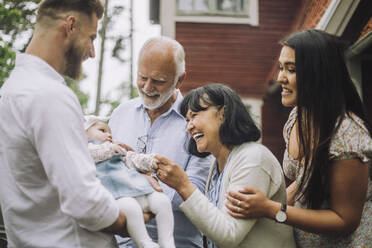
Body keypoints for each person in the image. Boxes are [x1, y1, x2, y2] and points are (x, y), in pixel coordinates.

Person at [226, 29, 372, 247]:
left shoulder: (347, 136)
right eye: (281, 67)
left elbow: (345, 220)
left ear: (318, 74)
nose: (280, 78)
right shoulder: (298, 117)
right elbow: (304, 180)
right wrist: (267, 203)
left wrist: (271, 209)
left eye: (291, 70)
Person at [0, 1, 129, 247]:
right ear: (70, 26)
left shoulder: (11, 90)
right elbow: (84, 200)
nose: (92, 51)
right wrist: (130, 220)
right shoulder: (49, 95)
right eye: (91, 37)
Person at [155, 83, 296, 247]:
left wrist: (183, 185)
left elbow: (229, 234)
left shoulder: (253, 159)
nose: (189, 126)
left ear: (223, 113)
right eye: (187, 120)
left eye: (194, 115)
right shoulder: (217, 165)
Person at [109, 37, 213, 248]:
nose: (147, 87)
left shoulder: (198, 123)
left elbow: (195, 195)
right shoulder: (121, 114)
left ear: (179, 80)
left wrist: (132, 183)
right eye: (142, 77)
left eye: (158, 80)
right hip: (119, 242)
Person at [84, 115, 175, 248]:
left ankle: (167, 241)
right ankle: (145, 242)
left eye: (110, 132)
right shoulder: (84, 151)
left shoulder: (117, 150)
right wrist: (109, 148)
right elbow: (91, 153)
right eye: (102, 130)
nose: (109, 134)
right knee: (131, 209)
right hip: (118, 195)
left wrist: (150, 161)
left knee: (162, 201)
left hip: (139, 189)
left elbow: (133, 159)